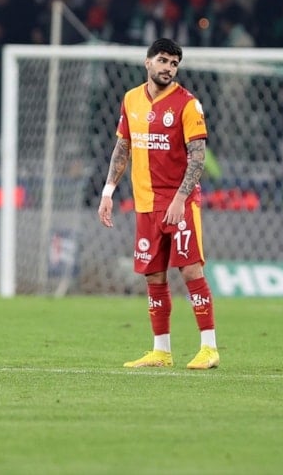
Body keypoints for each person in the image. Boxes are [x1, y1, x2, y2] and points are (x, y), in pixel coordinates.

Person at [98, 38, 220, 370]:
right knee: (153, 275)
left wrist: (180, 199)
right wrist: (108, 191)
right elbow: (123, 147)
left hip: (179, 202)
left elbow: (198, 158)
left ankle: (209, 347)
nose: (168, 68)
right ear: (148, 62)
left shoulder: (188, 105)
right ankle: (161, 351)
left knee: (191, 270)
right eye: (163, 60)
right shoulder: (131, 99)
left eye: (174, 63)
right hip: (145, 203)